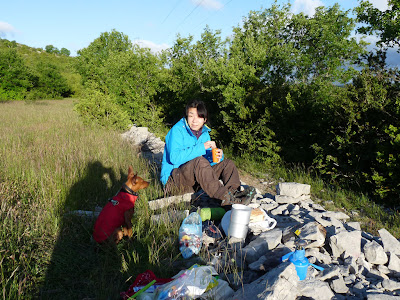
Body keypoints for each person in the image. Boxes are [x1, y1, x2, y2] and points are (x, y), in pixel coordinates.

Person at [160, 99, 255, 206]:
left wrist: (217, 156)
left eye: (199, 116)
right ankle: (226, 198)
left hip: (194, 181)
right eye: (191, 116)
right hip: (174, 181)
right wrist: (202, 147)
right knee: (199, 161)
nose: (195, 120)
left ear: (204, 119)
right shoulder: (177, 131)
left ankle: (235, 195)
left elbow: (208, 164)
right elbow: (174, 158)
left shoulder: (204, 134)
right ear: (186, 116)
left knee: (228, 164)